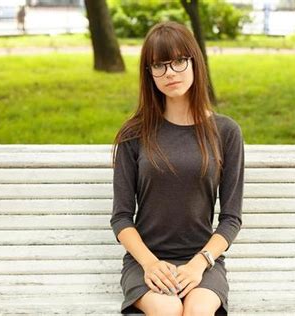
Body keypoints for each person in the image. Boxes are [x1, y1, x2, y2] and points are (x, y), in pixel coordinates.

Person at [110, 21, 245, 315]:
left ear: (195, 62)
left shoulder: (226, 132)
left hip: (203, 261)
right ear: (150, 74)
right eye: (159, 65)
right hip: (146, 261)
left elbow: (231, 218)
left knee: (197, 311)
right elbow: (121, 218)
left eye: (179, 61)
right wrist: (150, 264)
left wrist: (200, 263)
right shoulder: (133, 134)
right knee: (169, 310)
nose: (170, 72)